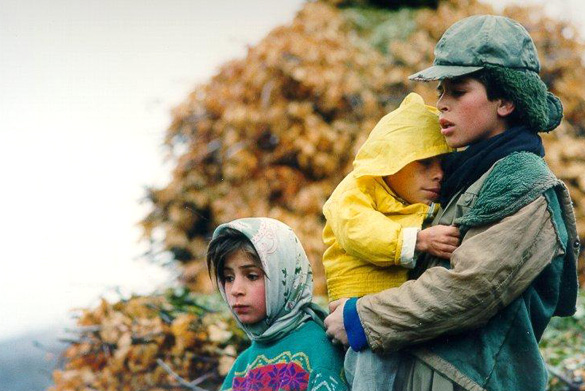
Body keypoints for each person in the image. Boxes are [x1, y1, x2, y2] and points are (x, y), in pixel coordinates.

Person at [324, 14, 580, 391]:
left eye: (457, 91)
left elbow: (471, 287)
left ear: (506, 99)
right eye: (440, 90)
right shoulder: (465, 178)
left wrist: (363, 316)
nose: (441, 104)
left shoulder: (527, 185)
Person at [321, 92, 458, 390]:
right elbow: (358, 231)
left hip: (391, 320)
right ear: (392, 159)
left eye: (443, 165)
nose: (438, 175)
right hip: (359, 319)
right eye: (424, 163)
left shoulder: (414, 202)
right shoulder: (356, 188)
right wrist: (417, 240)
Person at [206, 217, 348, 391]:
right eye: (228, 278)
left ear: (285, 277)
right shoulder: (241, 366)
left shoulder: (318, 353)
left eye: (251, 276)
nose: (236, 289)